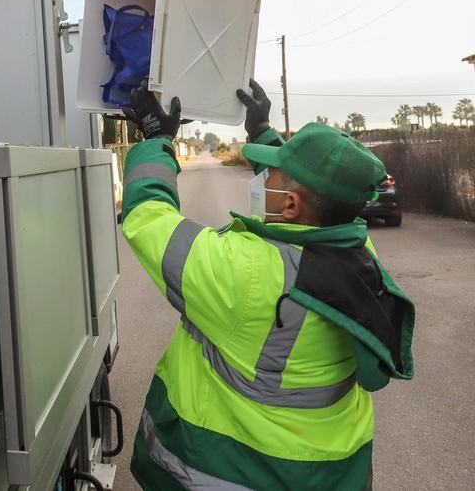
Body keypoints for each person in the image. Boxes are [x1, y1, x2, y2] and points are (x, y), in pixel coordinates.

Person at [118, 80, 415, 490]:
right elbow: (307, 193)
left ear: (291, 206)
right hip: (330, 473)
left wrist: (158, 140)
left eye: (270, 175)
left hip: (235, 472)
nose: (261, 181)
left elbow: (149, 217)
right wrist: (262, 132)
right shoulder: (357, 248)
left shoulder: (249, 273)